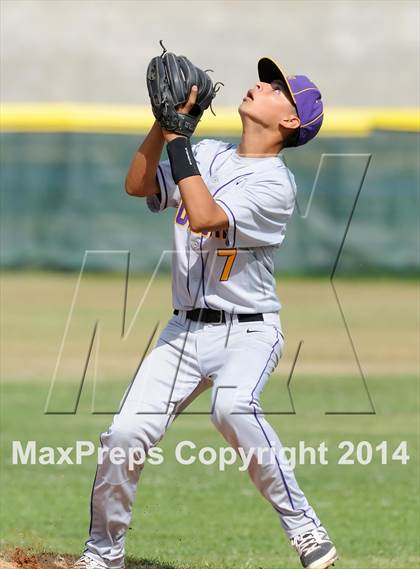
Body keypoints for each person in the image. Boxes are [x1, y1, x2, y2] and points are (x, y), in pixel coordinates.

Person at [74, 57, 337, 569]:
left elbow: (204, 217)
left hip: (249, 332)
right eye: (266, 78)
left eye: (277, 87)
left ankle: (303, 526)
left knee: (232, 408)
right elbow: (137, 184)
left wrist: (177, 139)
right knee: (125, 434)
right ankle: (103, 554)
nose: (261, 84)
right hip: (183, 331)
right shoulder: (207, 153)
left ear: (290, 121)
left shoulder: (275, 187)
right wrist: (162, 121)